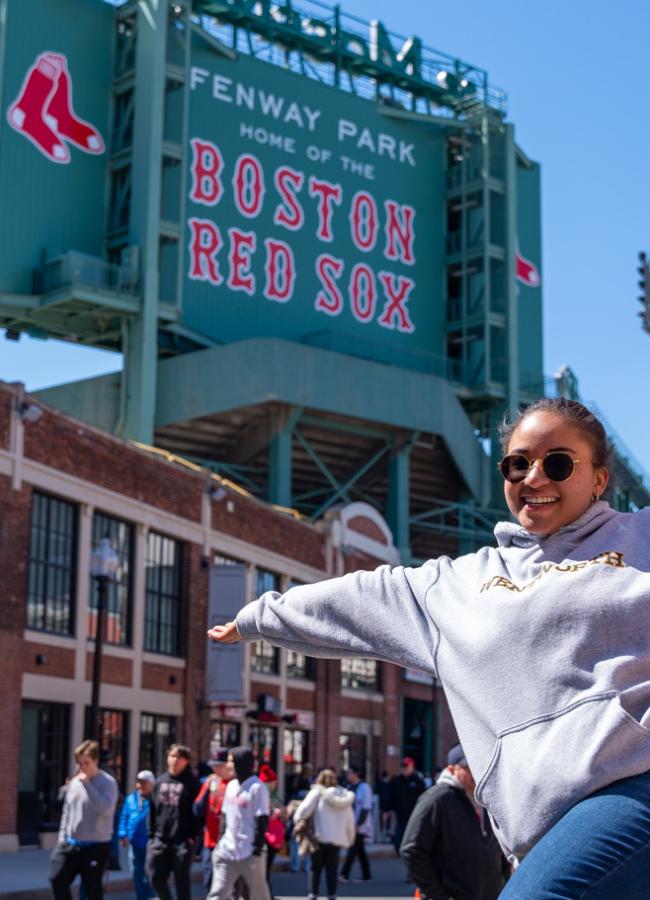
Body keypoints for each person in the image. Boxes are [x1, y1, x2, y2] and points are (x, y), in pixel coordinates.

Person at [209, 397, 650, 899]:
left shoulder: (641, 538)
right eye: (518, 463)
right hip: (542, 828)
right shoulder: (458, 584)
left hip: (634, 781)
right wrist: (254, 618)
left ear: (598, 478)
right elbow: (359, 598)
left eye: (557, 462)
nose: (534, 477)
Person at [400, 744, 505, 900]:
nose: (476, 773)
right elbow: (411, 850)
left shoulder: (485, 798)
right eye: (468, 768)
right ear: (451, 770)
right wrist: (440, 895)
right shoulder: (437, 799)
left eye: (479, 765)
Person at [49, 739, 119, 900]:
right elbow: (67, 812)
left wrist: (88, 785)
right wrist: (62, 838)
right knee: (57, 879)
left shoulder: (107, 783)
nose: (82, 767)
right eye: (79, 763)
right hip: (71, 844)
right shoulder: (74, 783)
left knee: (92, 889)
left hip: (96, 846)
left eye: (86, 762)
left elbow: (105, 809)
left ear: (96, 761)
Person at [207, 746, 272, 900]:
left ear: (241, 762)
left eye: (230, 761)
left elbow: (261, 820)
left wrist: (256, 849)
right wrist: (219, 843)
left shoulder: (257, 787)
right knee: (217, 894)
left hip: (250, 852)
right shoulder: (231, 785)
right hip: (227, 850)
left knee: (259, 896)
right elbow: (224, 817)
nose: (227, 765)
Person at [147, 743, 200, 900]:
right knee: (155, 878)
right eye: (171, 756)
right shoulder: (160, 781)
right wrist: (151, 836)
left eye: (179, 757)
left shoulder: (192, 783)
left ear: (186, 761)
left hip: (182, 841)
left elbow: (198, 813)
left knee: (181, 883)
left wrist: (192, 836)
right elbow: (152, 809)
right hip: (160, 839)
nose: (174, 760)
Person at [294, 767, 355, 900]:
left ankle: (313, 893)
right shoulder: (344, 795)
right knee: (332, 869)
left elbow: (302, 811)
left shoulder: (317, 793)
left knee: (315, 868)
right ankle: (332, 894)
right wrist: (350, 838)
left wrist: (298, 822)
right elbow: (350, 821)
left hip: (319, 836)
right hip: (337, 838)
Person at [192, 749, 231, 892]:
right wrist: (208, 789)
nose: (216, 769)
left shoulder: (234, 784)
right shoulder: (210, 782)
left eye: (219, 766)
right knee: (209, 882)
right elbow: (197, 810)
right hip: (210, 841)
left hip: (228, 843)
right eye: (214, 766)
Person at [118, 770, 156, 900]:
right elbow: (124, 817)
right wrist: (122, 834)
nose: (140, 786)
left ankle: (150, 896)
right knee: (136, 872)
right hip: (134, 843)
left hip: (150, 843)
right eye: (139, 783)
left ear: (151, 784)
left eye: (144, 783)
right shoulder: (131, 799)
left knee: (149, 872)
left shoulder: (155, 800)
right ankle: (141, 897)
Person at [339, 765, 373, 883]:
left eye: (350, 773)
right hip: (350, 823)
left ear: (356, 774)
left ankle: (344, 874)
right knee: (360, 850)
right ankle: (367, 874)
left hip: (360, 825)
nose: (348, 775)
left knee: (352, 849)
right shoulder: (348, 787)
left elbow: (366, 807)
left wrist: (359, 824)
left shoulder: (364, 788)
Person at [389, 756, 425, 853]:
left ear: (412, 767)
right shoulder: (396, 781)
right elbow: (392, 797)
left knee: (413, 842)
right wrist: (388, 810)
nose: (404, 769)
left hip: (413, 817)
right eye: (403, 766)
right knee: (397, 842)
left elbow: (424, 798)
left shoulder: (418, 781)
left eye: (406, 766)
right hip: (400, 817)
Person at [374, 769, 393, 842]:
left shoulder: (380, 784)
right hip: (385, 805)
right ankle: (385, 833)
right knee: (385, 820)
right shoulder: (388, 784)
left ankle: (384, 834)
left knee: (384, 820)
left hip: (383, 805)